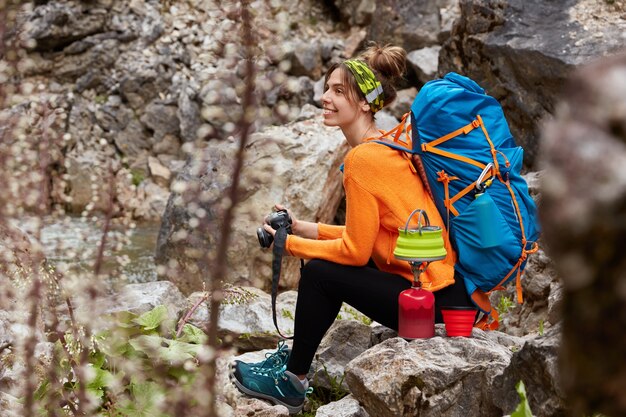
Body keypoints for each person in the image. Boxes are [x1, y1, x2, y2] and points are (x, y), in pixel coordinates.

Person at [231, 43, 474, 414]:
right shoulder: (386, 145)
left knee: (320, 274)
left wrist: (289, 244)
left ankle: (292, 382)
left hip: (429, 305)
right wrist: (301, 227)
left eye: (338, 91)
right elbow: (370, 236)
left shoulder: (362, 159)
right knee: (329, 268)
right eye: (327, 88)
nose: (325, 97)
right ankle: (294, 358)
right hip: (445, 295)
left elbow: (355, 252)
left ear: (365, 104)